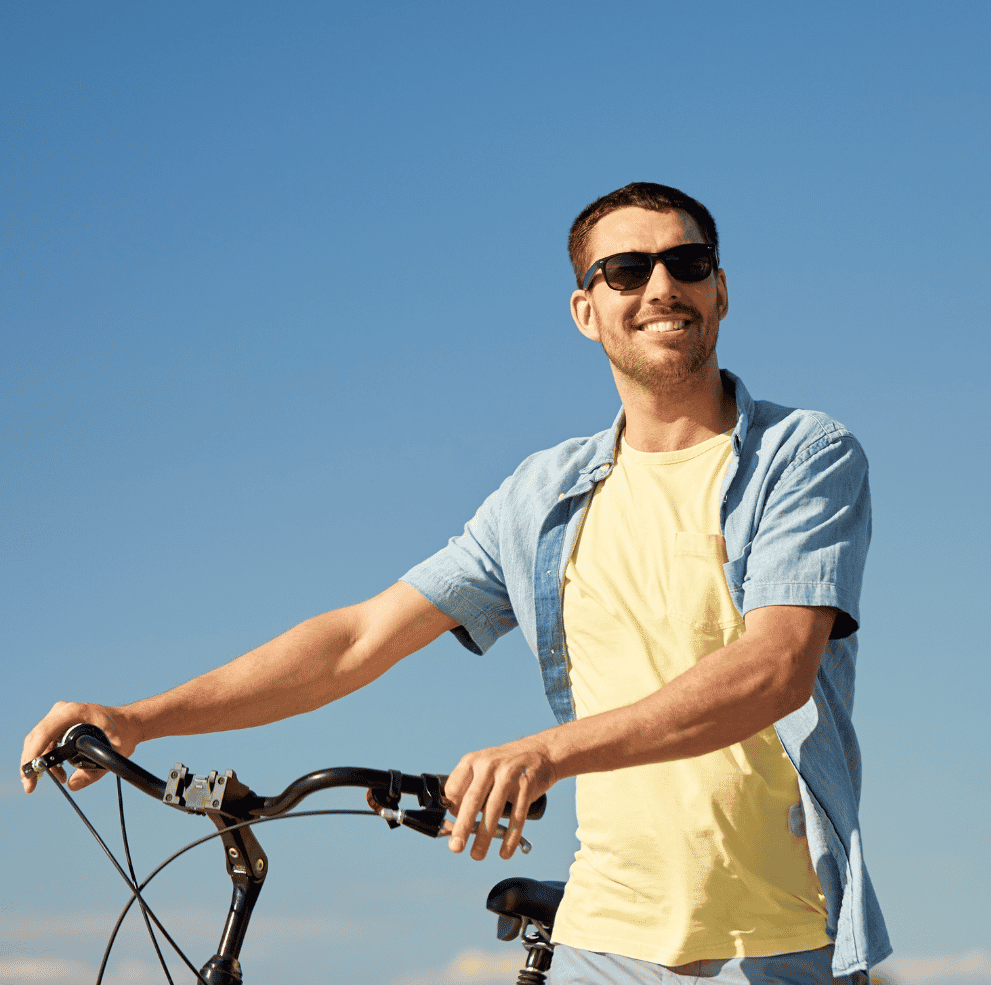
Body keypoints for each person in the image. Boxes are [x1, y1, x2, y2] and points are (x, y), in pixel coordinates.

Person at [21, 183, 890, 984]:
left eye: (686, 263)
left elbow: (773, 670)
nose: (662, 284)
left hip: (779, 940)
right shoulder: (544, 496)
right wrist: (138, 719)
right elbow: (359, 639)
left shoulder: (801, 455)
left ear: (720, 291)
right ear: (588, 312)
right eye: (627, 270)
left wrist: (547, 753)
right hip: (605, 935)